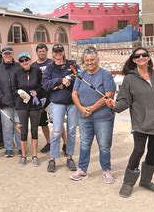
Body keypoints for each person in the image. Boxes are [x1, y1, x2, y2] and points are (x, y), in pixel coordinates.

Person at [106, 47, 154, 197]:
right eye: (138, 56)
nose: (141, 57)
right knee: (138, 150)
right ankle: (128, 183)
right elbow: (124, 101)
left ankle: (146, 180)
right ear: (134, 60)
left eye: (144, 55)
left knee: (153, 151)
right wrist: (115, 106)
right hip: (141, 123)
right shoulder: (129, 79)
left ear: (149, 58)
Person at [71, 47, 116, 183]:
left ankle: (106, 170)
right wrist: (81, 108)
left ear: (97, 59)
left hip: (103, 117)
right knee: (84, 143)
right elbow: (74, 93)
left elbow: (109, 94)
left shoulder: (105, 75)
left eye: (92, 60)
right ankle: (82, 170)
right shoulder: (81, 75)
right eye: (87, 60)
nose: (89, 62)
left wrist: (92, 108)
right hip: (84, 116)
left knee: (103, 145)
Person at [42, 43, 80, 173]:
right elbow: (45, 84)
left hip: (72, 103)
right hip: (57, 103)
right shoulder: (49, 68)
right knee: (57, 131)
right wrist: (59, 81)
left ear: (63, 52)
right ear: (52, 54)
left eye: (60, 51)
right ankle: (53, 158)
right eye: (56, 52)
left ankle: (69, 157)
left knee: (71, 131)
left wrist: (69, 82)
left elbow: (79, 76)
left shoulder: (72, 64)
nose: (58, 54)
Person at [33, 44, 69, 155]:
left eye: (43, 51)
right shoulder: (34, 65)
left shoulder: (52, 64)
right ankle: (49, 142)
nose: (41, 53)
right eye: (39, 51)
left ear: (48, 52)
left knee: (57, 122)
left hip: (52, 96)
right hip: (40, 97)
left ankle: (65, 143)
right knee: (43, 122)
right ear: (37, 52)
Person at [13, 52, 45, 167]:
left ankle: (35, 156)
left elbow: (42, 86)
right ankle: (23, 156)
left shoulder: (37, 71)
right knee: (23, 130)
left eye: (26, 60)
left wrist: (37, 92)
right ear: (20, 63)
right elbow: (14, 88)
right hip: (22, 105)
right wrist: (19, 92)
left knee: (34, 130)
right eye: (21, 61)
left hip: (35, 105)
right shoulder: (17, 73)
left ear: (30, 60)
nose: (24, 62)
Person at [0, 46, 21, 157]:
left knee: (19, 125)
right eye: (5, 54)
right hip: (4, 104)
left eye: (9, 53)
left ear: (12, 54)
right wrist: (1, 98)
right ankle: (9, 148)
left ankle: (21, 147)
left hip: (18, 103)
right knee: (7, 126)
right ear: (2, 55)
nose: (7, 56)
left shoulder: (18, 67)